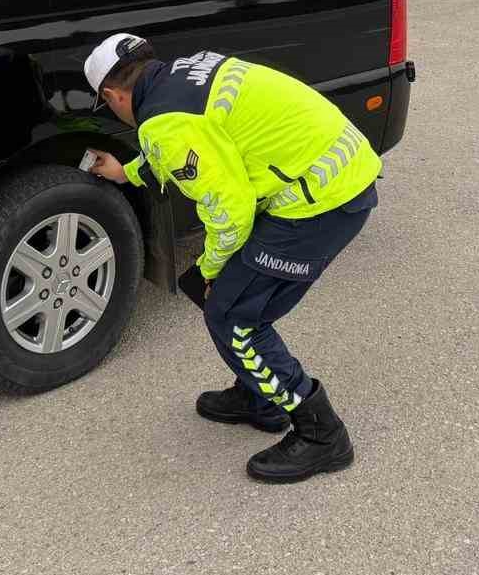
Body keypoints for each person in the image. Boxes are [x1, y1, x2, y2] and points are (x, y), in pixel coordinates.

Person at [82, 33, 380, 484]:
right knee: (227, 300)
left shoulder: (164, 122)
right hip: (338, 174)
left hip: (320, 204)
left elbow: (230, 213)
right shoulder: (186, 72)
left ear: (111, 95)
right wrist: (128, 171)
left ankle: (322, 433)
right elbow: (191, 152)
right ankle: (261, 397)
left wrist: (209, 269)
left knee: (232, 314)